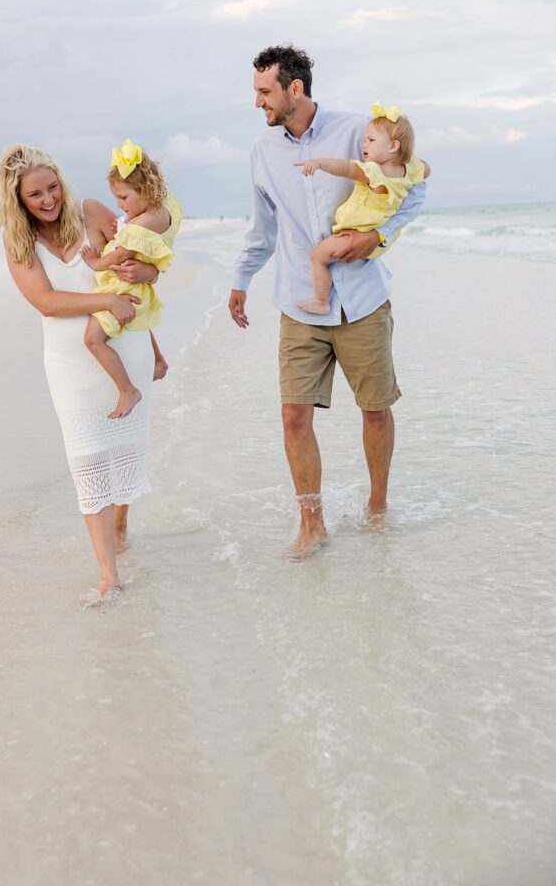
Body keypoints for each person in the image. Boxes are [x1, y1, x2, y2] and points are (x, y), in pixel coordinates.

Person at [228, 45, 427, 560]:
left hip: (362, 297)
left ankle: (377, 509)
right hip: (300, 299)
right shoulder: (261, 152)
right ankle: (311, 524)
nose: (257, 102)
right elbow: (261, 228)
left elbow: (416, 190)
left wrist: (378, 238)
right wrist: (240, 281)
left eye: (264, 91)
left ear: (295, 88)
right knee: (294, 415)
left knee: (375, 410)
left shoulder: (360, 130)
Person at [0, 144, 160, 606]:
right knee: (88, 461)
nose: (48, 199)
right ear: (18, 200)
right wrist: (105, 301)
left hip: (125, 350)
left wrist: (152, 339)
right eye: (35, 195)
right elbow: (46, 301)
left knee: (125, 449)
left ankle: (121, 524)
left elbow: (142, 271)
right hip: (69, 365)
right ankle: (109, 573)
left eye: (52, 187)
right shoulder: (18, 242)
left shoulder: (91, 212)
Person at [296, 103, 431, 315]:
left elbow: (347, 168)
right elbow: (426, 170)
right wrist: (411, 160)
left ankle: (321, 301)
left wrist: (320, 163)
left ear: (393, 146)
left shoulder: (373, 172)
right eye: (364, 140)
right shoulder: (409, 170)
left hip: (355, 235)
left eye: (371, 140)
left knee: (317, 257)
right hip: (379, 238)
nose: (364, 144)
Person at [81, 139, 183, 419]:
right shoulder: (165, 208)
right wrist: (126, 223)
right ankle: (158, 361)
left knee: (93, 339)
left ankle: (127, 389)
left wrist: (95, 262)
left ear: (144, 190)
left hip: (124, 285)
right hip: (138, 285)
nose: (119, 204)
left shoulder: (139, 225)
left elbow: (118, 255)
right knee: (138, 322)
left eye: (124, 198)